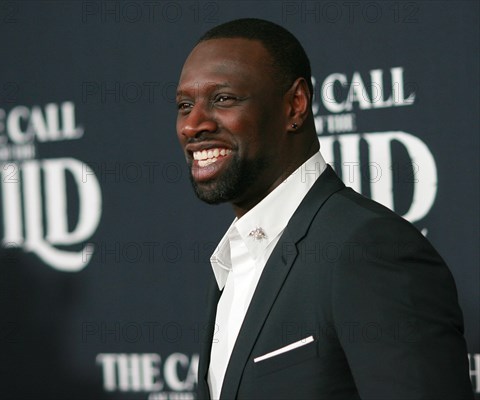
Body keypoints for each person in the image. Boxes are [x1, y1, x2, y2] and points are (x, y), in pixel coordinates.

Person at [175, 18, 473, 399]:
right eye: (185, 105)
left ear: (295, 105)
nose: (193, 124)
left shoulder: (369, 248)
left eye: (223, 99)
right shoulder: (233, 261)